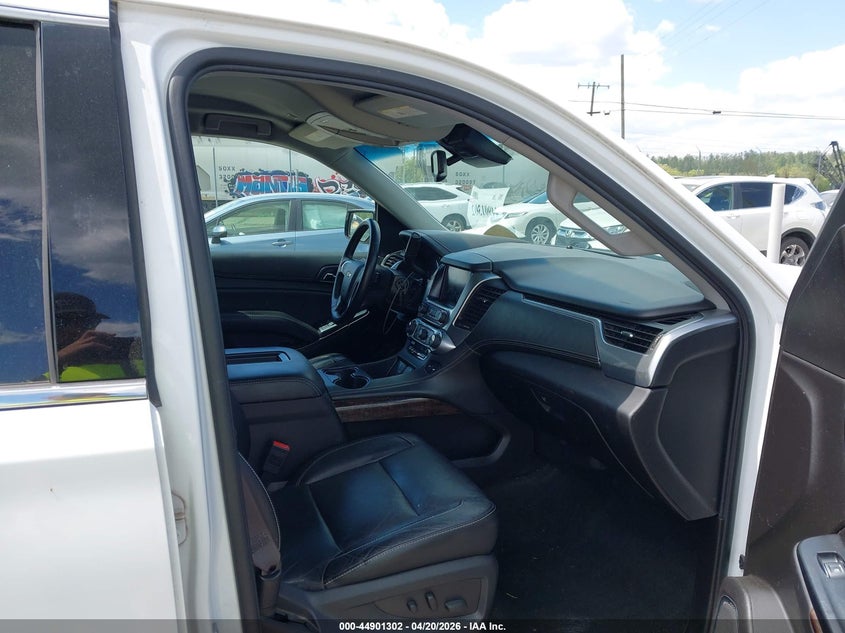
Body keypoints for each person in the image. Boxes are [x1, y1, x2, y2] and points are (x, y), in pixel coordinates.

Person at [53, 292, 143, 381]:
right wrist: (60, 358)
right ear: (52, 327)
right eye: (64, 324)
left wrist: (133, 349)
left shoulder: (125, 352)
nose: (78, 329)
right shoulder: (45, 361)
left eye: (88, 322)